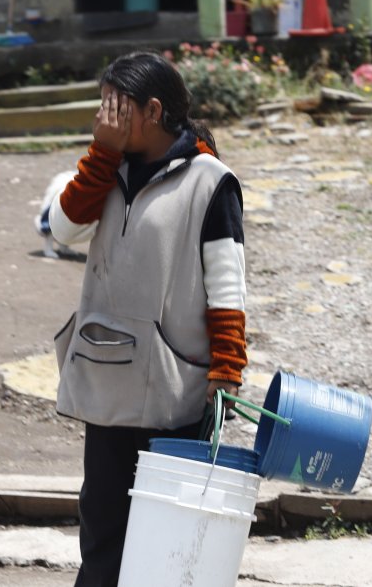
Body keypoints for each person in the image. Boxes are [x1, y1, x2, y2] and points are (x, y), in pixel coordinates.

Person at [49, 51, 248, 587]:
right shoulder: (102, 169)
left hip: (173, 391)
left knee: (166, 542)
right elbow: (62, 229)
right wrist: (101, 154)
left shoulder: (211, 182)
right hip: (107, 385)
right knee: (103, 534)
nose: (104, 118)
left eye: (116, 107)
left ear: (153, 111)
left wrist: (226, 368)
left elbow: (227, 283)